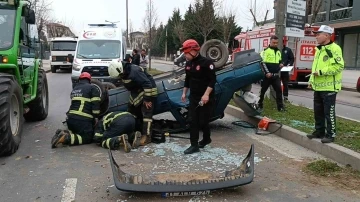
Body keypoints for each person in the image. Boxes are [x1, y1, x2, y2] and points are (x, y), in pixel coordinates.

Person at [307, 25, 344, 143]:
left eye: (318, 34)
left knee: (329, 112)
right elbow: (315, 68)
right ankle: (319, 131)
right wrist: (311, 81)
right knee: (318, 111)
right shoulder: (319, 49)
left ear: (327, 35)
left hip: (329, 87)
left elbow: (339, 66)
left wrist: (322, 72)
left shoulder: (334, 48)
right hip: (318, 86)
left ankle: (330, 134)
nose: (316, 36)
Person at [108, 60, 157, 146]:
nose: (120, 77)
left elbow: (147, 84)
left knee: (146, 114)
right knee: (131, 112)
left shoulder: (134, 71)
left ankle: (147, 137)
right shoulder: (124, 72)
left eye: (120, 76)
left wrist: (147, 99)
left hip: (148, 92)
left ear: (121, 69)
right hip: (136, 92)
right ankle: (134, 133)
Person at [180, 39, 216, 155]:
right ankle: (194, 145)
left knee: (203, 121)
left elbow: (212, 80)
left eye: (186, 53)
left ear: (193, 51)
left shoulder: (207, 63)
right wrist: (184, 92)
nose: (185, 55)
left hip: (205, 97)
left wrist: (206, 95)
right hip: (194, 97)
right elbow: (188, 79)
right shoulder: (188, 63)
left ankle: (206, 139)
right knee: (192, 120)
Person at [51, 72, 101, 148]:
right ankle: (66, 138)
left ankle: (63, 133)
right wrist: (96, 118)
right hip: (82, 120)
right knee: (88, 138)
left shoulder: (75, 89)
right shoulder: (92, 88)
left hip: (70, 119)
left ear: (79, 80)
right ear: (89, 80)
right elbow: (95, 109)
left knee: (77, 132)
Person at [258, 35, 285, 112]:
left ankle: (280, 107)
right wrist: (267, 72)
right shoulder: (265, 51)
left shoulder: (279, 52)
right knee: (263, 91)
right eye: (274, 42)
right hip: (267, 76)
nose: (275, 44)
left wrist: (281, 64)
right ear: (270, 42)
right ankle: (259, 105)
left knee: (279, 91)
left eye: (276, 43)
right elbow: (262, 63)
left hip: (275, 76)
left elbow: (280, 62)